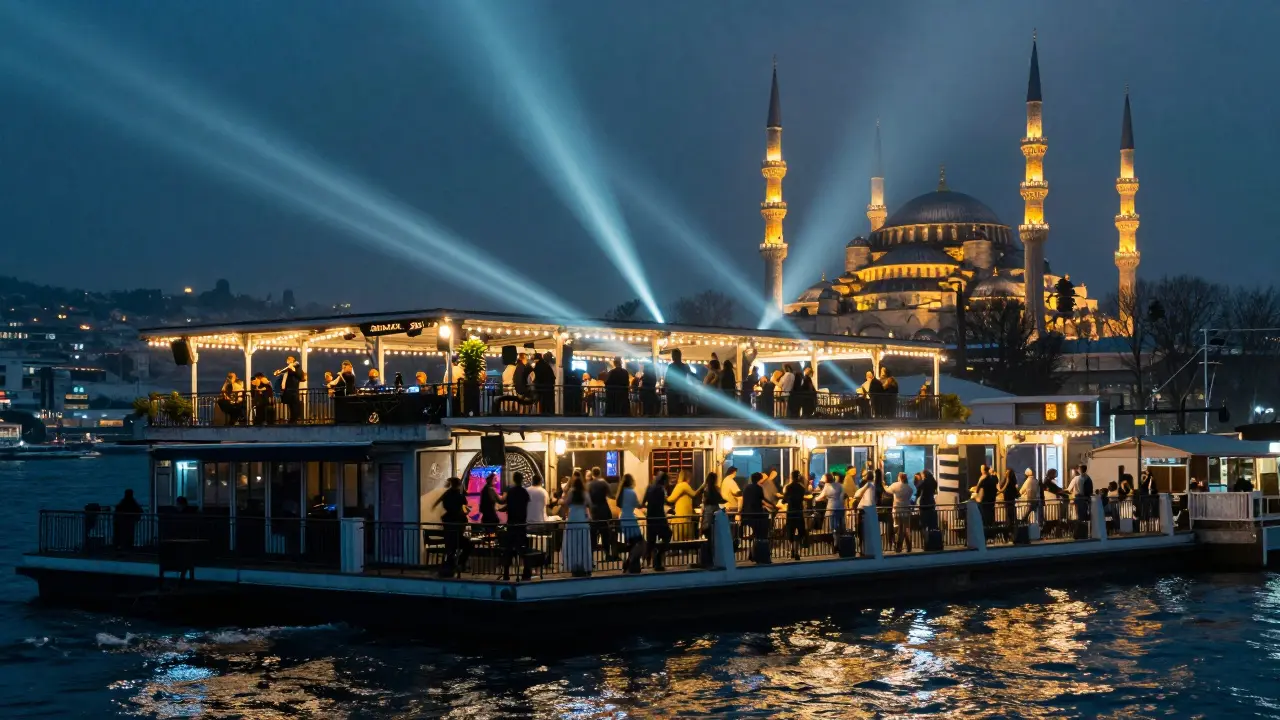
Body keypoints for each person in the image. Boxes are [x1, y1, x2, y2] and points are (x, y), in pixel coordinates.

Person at [432, 477, 471, 577]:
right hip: (457, 527)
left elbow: (439, 501)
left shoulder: (447, 495)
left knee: (451, 548)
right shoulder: (460, 497)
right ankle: (459, 564)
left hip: (449, 527)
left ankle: (451, 566)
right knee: (467, 545)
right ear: (458, 485)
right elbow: (466, 508)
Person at [498, 472, 532, 581]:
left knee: (509, 549)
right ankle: (526, 573)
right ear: (521, 480)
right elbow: (525, 506)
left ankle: (506, 573)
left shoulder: (511, 492)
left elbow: (507, 505)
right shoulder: (524, 492)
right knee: (523, 548)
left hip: (511, 523)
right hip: (521, 524)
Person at [559, 472, 593, 576]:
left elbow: (566, 503)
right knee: (583, 544)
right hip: (582, 520)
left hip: (573, 519)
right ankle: (584, 565)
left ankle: (574, 566)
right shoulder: (585, 493)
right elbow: (590, 504)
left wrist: (561, 502)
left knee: (572, 544)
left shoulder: (571, 492)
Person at [614, 474, 645, 573]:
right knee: (640, 542)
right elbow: (637, 504)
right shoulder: (632, 492)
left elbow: (618, 504)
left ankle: (630, 565)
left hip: (623, 519)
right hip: (631, 519)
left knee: (632, 543)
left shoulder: (621, 493)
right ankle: (630, 563)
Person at [740, 472, 772, 563]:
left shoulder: (746, 487)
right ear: (759, 479)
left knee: (752, 536)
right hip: (757, 514)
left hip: (747, 514)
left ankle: (751, 554)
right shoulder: (758, 488)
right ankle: (757, 555)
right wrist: (772, 505)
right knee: (759, 535)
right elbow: (763, 500)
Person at [644, 472, 672, 571]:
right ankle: (658, 558)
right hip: (659, 518)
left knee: (651, 541)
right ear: (664, 480)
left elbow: (643, 502)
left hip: (650, 518)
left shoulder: (649, 487)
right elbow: (661, 506)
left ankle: (647, 561)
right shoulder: (661, 489)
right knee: (668, 535)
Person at [585, 467, 614, 559]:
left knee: (593, 535)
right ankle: (607, 554)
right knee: (605, 533)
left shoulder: (589, 485)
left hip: (593, 511)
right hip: (603, 510)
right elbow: (611, 495)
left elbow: (587, 499)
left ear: (592, 474)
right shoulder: (604, 483)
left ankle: (591, 556)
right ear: (600, 473)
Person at [782, 470, 811, 561]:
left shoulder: (788, 487)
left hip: (790, 512)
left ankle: (792, 550)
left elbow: (784, 500)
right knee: (799, 531)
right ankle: (797, 551)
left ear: (791, 477)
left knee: (790, 531)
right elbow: (802, 497)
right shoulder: (801, 488)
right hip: (799, 511)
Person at [699, 472, 724, 567]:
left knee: (707, 538)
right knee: (715, 539)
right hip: (715, 515)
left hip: (707, 515)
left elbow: (704, 502)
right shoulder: (716, 489)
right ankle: (714, 559)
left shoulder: (706, 489)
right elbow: (721, 499)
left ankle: (706, 560)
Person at [886, 472, 915, 553]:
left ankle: (898, 547)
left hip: (897, 510)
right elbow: (911, 494)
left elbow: (887, 491)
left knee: (897, 528)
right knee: (906, 528)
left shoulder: (895, 485)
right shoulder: (909, 488)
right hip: (906, 510)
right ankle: (909, 546)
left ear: (899, 477)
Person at [667, 469, 697, 540]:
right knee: (686, 539)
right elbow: (694, 494)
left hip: (681, 517)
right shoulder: (684, 485)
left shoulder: (680, 485)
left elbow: (671, 499)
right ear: (687, 477)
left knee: (679, 539)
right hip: (684, 517)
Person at [274, 356, 305, 422]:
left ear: (293, 360)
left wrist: (293, 370)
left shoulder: (297, 367)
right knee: (291, 405)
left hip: (293, 390)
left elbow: (300, 376)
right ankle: (292, 418)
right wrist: (279, 373)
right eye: (288, 359)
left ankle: (294, 419)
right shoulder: (287, 369)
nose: (288, 360)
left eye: (290, 359)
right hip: (288, 390)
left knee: (294, 405)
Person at [665, 349, 692, 416]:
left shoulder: (671, 366)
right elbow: (691, 377)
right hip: (683, 390)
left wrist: (665, 387)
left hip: (672, 391)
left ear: (673, 356)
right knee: (682, 411)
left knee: (673, 411)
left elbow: (667, 379)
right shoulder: (686, 366)